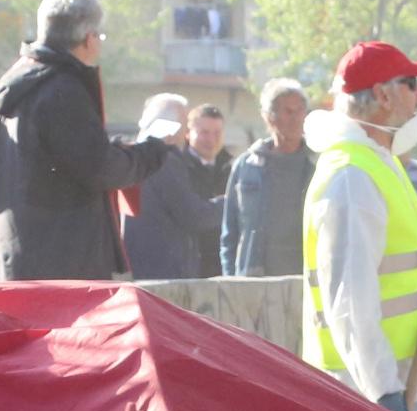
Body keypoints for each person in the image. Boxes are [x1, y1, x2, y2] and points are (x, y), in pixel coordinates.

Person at [302, 41, 417, 411]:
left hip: (412, 389)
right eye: (412, 84)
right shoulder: (352, 179)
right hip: (381, 399)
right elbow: (350, 302)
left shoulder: (377, 163)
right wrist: (384, 393)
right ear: (383, 95)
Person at [0, 0, 170, 279]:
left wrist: (115, 148)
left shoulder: (22, 82)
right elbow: (100, 168)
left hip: (22, 254)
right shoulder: (63, 90)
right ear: (89, 38)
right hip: (64, 263)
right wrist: (152, 151)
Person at [123, 92, 220, 282]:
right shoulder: (164, 161)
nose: (185, 134)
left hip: (138, 267)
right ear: (171, 129)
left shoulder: (133, 156)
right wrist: (230, 203)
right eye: (184, 126)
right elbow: (193, 215)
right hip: (166, 273)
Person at [225, 78, 315, 277]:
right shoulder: (248, 165)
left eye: (300, 110)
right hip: (254, 280)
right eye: (288, 112)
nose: (296, 119)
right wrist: (230, 280)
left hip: (304, 279)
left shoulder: (318, 164)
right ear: (269, 117)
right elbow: (230, 233)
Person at [183, 105, 233, 277]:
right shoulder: (179, 169)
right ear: (188, 133)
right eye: (204, 132)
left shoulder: (231, 168)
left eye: (217, 133)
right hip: (191, 264)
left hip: (222, 263)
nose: (211, 139)